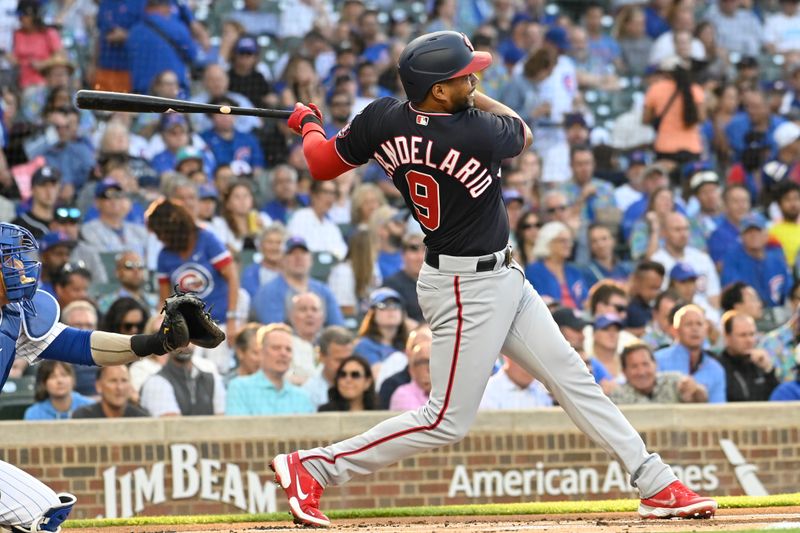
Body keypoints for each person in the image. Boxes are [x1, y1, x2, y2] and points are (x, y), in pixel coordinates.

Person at [270, 31, 716, 527]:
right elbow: (521, 131)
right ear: (439, 89)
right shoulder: (476, 130)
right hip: (465, 288)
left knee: (573, 379)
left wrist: (309, 124)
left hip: (499, 275)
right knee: (445, 419)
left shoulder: (381, 117)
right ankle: (313, 468)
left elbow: (320, 161)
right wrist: (471, 93)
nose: (474, 78)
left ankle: (655, 481)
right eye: (463, 75)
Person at [0, 221, 201, 533]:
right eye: (8, 259)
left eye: (18, 256)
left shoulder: (15, 313)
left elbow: (82, 345)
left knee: (42, 514)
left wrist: (156, 343)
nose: (20, 266)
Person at [146, 199, 240, 373]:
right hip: (186, 330)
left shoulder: (207, 240)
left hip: (218, 322)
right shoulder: (164, 256)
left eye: (162, 233)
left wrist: (233, 318)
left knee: (219, 372)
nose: (161, 239)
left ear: (172, 228)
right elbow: (164, 300)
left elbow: (232, 277)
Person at [225, 323, 314, 416]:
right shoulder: (240, 388)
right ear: (261, 352)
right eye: (276, 348)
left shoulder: (302, 397)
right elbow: (238, 429)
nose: (283, 353)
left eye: (288, 349)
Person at [655, 304, 727, 403]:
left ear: (706, 331)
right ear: (675, 331)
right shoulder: (657, 360)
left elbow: (719, 409)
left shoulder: (716, 368)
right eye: (689, 324)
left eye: (699, 324)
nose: (695, 329)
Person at [642, 56, 705, 165]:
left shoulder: (655, 89)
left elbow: (646, 119)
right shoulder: (695, 89)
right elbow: (701, 117)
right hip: (691, 147)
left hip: (665, 147)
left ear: (665, 72)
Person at [140, 344, 226, 416]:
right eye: (178, 335)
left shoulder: (212, 379)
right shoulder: (156, 382)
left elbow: (222, 424)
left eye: (189, 336)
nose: (184, 342)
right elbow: (173, 428)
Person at [609, 343, 708, 405]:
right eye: (634, 366)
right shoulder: (616, 396)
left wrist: (695, 389)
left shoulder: (675, 381)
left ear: (655, 364)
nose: (642, 372)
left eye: (645, 364)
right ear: (624, 371)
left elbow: (702, 399)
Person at [717, 311, 779, 402]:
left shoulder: (759, 364)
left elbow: (776, 399)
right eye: (743, 335)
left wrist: (768, 370)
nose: (749, 340)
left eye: (752, 334)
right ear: (727, 337)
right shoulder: (718, 367)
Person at [353, 288, 410, 369]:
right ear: (372, 313)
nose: (391, 310)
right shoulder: (364, 345)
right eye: (383, 305)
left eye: (396, 305)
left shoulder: (409, 343)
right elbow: (379, 377)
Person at [303, 326, 355, 408]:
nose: (345, 366)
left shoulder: (361, 385)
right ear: (322, 357)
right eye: (339, 360)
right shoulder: (308, 392)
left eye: (349, 360)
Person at [23, 360, 94, 420]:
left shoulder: (90, 407)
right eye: (52, 377)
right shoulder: (34, 414)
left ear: (73, 379)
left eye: (64, 375)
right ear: (44, 383)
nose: (60, 381)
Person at [72, 365, 150, 418]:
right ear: (98, 386)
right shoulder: (84, 417)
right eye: (113, 381)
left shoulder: (142, 418)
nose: (119, 387)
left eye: (124, 380)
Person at [479, 355, 553, 409]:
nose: (532, 366)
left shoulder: (543, 393)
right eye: (526, 360)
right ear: (507, 355)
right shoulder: (486, 393)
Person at [383, 233, 425, 323]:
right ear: (402, 254)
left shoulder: (439, 282)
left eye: (425, 250)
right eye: (414, 250)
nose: (420, 257)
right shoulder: (392, 284)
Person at [389, 334, 432, 411]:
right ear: (412, 370)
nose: (430, 367)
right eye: (424, 362)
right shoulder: (403, 394)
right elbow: (422, 422)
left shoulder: (453, 393)